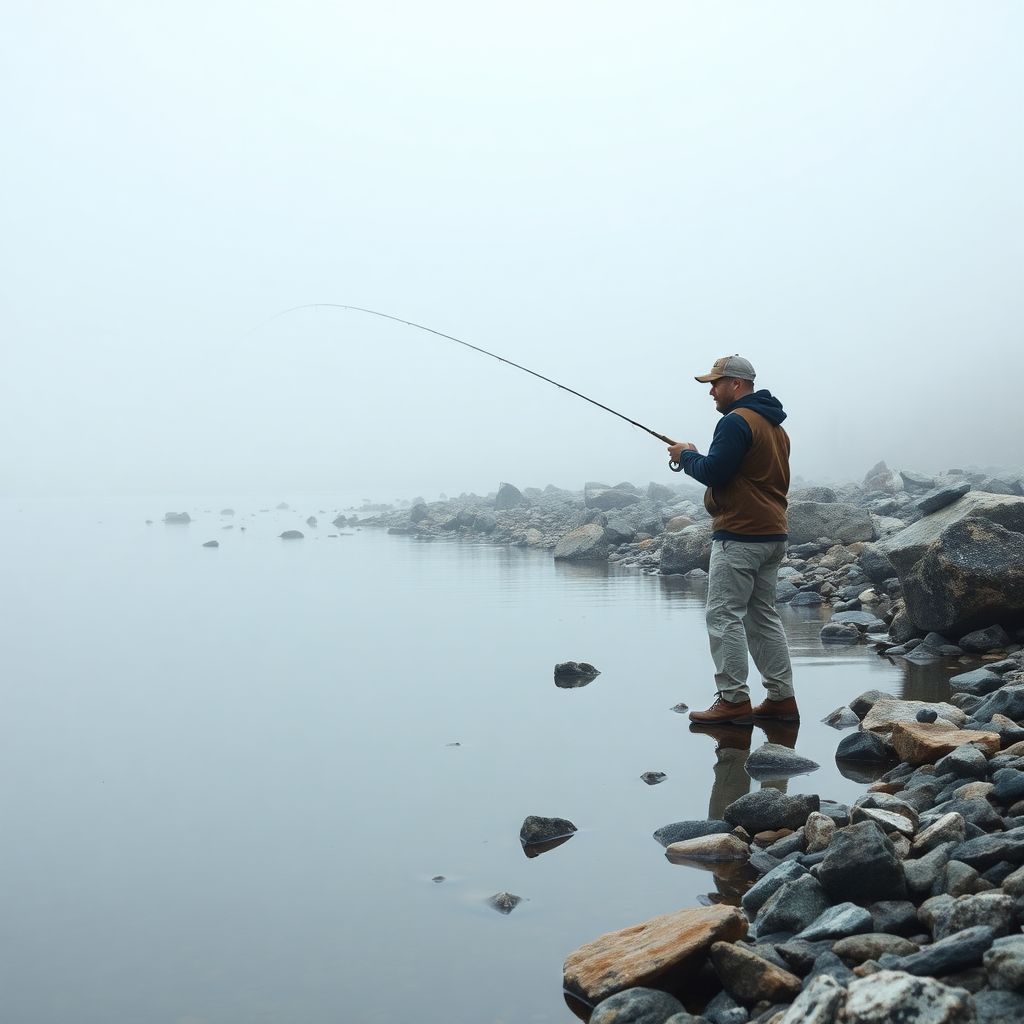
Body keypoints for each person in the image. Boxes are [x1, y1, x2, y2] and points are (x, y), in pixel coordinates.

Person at [667, 355, 798, 725]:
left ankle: (733, 700)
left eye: (715, 383)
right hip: (773, 534)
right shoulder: (776, 427)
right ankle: (781, 699)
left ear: (736, 384)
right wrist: (693, 455)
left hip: (740, 535)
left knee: (724, 615)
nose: (711, 391)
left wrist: (687, 455)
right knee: (762, 617)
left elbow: (715, 472)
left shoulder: (735, 421)